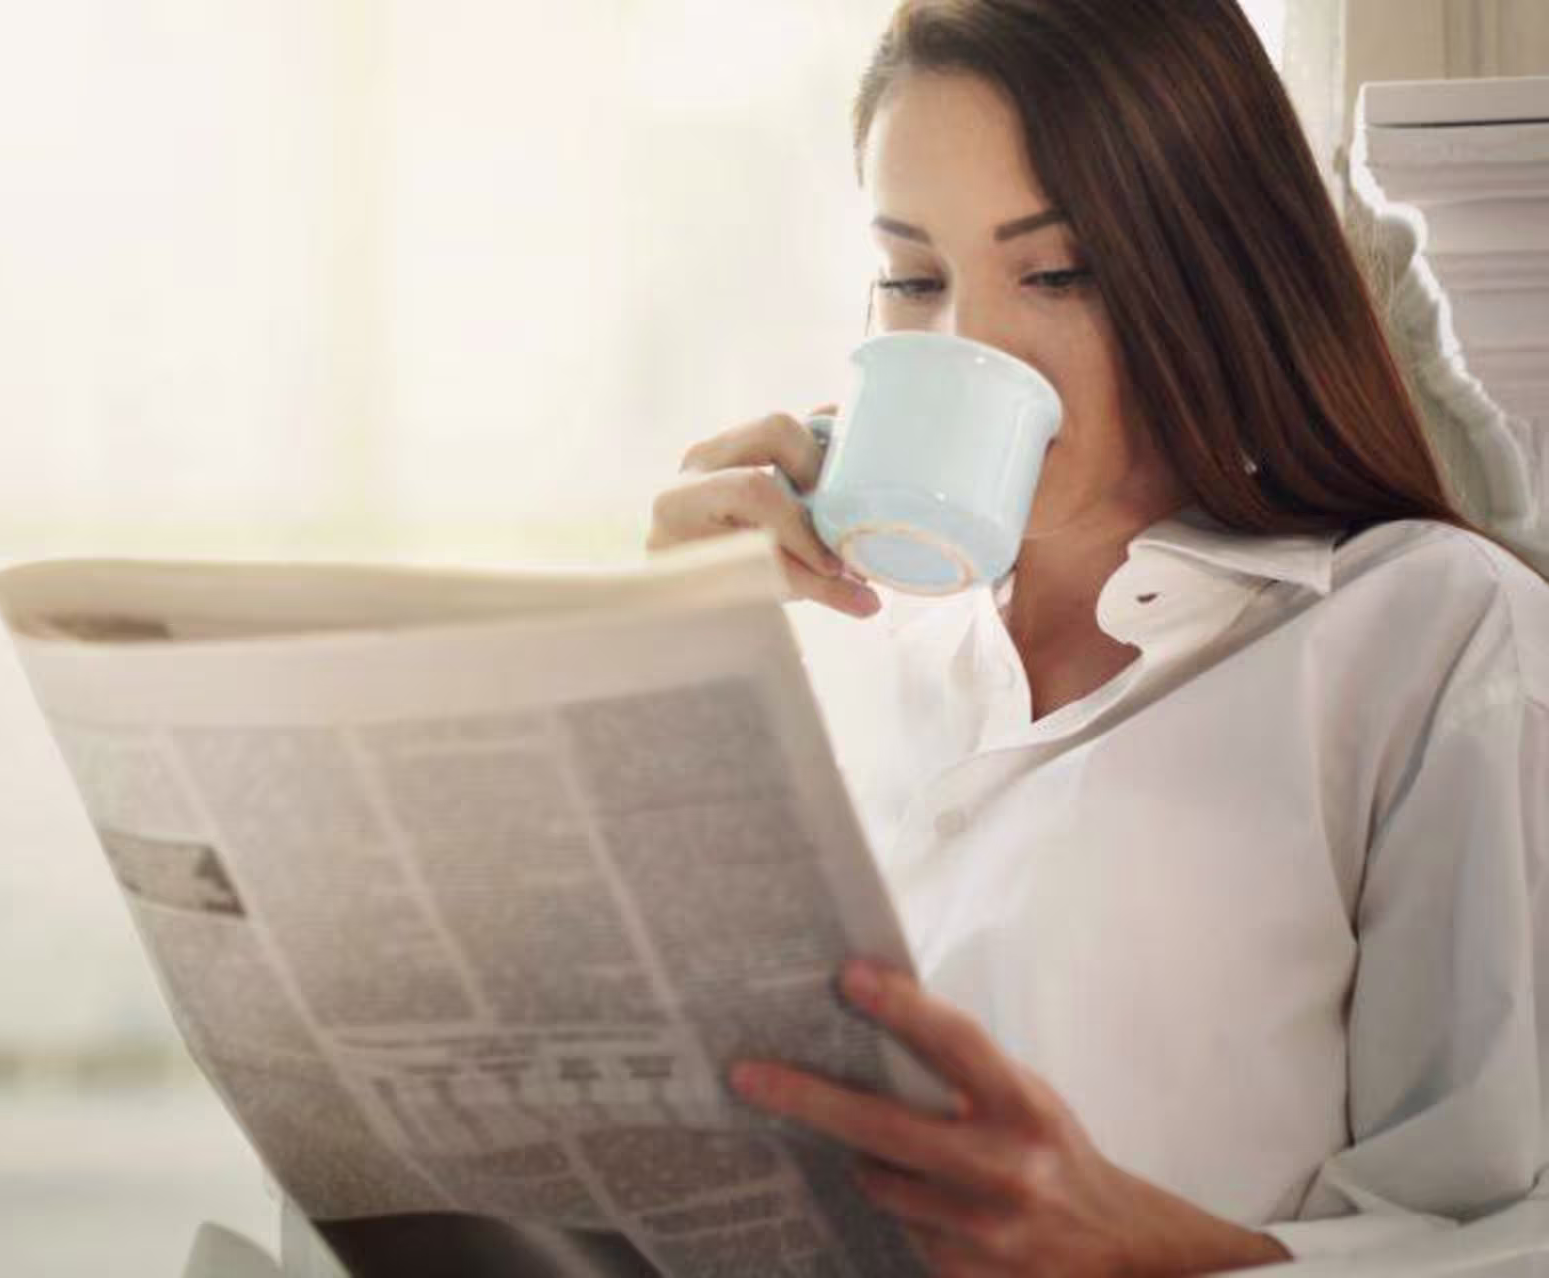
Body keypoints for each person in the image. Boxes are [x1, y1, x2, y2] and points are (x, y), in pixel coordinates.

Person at [644, 0, 1549, 1272]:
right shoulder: (835, 644)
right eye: (914, 277)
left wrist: (1156, 1250)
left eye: (1057, 273)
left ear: (1219, 278)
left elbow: (1508, 1230)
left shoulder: (1432, 638)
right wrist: (649, 669)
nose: (970, 344)